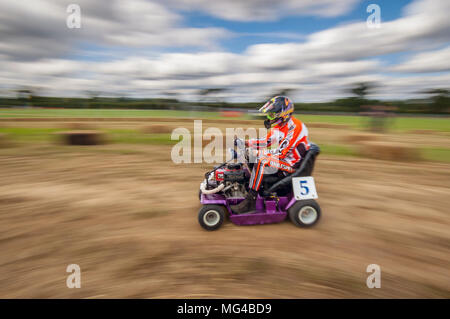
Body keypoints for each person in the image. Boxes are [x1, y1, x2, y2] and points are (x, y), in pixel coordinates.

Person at [230, 96, 310, 214]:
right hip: (284, 159)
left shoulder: (295, 127)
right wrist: (245, 143)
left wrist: (258, 153)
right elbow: (266, 142)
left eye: (272, 115)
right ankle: (251, 183)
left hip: (292, 165)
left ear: (284, 114)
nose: (269, 117)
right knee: (250, 155)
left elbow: (281, 153)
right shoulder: (280, 126)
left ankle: (250, 201)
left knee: (261, 159)